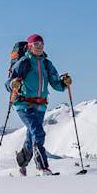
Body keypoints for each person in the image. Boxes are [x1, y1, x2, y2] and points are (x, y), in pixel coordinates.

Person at [8, 34, 71, 176]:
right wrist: (13, 84)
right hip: (23, 103)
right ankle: (42, 167)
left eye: (41, 44)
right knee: (38, 132)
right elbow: (9, 82)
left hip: (40, 105)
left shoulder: (47, 64)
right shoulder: (24, 62)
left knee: (31, 137)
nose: (39, 47)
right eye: (36, 44)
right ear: (29, 47)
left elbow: (56, 85)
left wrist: (64, 83)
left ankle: (21, 164)